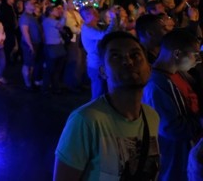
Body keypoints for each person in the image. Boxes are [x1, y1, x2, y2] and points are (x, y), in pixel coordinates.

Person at [54, 31, 160, 180]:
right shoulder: (86, 121)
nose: (128, 62)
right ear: (103, 71)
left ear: (149, 68)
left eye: (135, 55)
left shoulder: (152, 117)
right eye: (116, 56)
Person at [142, 28, 202, 181]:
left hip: (185, 149)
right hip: (175, 156)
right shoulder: (156, 85)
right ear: (177, 54)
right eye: (195, 55)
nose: (198, 60)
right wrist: (200, 121)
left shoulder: (176, 73)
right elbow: (172, 129)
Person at [80, 5, 117, 99]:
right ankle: (94, 111)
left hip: (98, 62)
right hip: (95, 64)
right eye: (94, 12)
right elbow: (105, 35)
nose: (97, 13)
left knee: (102, 90)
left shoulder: (93, 25)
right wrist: (113, 19)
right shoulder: (88, 29)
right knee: (98, 91)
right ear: (87, 16)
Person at [42, 4, 67, 93]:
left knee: (57, 68)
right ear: (50, 12)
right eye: (56, 10)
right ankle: (46, 87)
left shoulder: (52, 21)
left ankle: (55, 86)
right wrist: (65, 13)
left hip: (57, 46)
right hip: (52, 47)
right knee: (51, 68)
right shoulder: (48, 20)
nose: (58, 11)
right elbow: (61, 26)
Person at [19, 0, 43, 91]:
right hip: (29, 44)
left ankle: (30, 80)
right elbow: (25, 33)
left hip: (35, 43)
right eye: (31, 4)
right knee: (27, 64)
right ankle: (27, 83)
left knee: (32, 63)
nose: (33, 5)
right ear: (26, 6)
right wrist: (30, 45)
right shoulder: (25, 17)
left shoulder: (32, 16)